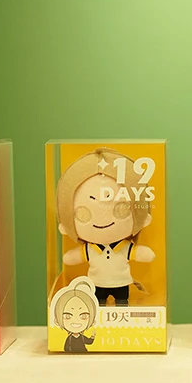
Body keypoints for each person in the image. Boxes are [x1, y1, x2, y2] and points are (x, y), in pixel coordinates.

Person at [57, 149, 155, 307]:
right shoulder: (90, 249)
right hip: (96, 283)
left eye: (121, 210)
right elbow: (72, 258)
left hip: (122, 282)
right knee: (98, 304)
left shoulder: (124, 247)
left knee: (122, 304)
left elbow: (142, 254)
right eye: (83, 214)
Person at [52, 277, 99, 353]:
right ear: (57, 321)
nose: (76, 321)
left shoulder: (82, 337)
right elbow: (66, 347)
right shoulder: (69, 338)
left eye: (84, 316)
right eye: (67, 316)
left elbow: (89, 342)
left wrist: (93, 336)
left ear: (93, 321)